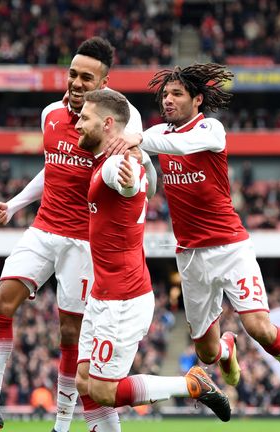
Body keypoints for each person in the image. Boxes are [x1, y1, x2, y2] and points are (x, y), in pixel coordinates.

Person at [0, 37, 156, 432]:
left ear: (104, 82)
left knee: (69, 334)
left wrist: (135, 180)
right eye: (72, 74)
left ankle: (61, 424)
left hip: (85, 240)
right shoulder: (50, 114)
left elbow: (135, 167)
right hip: (45, 227)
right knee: (0, 302)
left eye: (86, 77)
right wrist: (13, 204)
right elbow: (54, 169)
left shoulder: (122, 119)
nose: (77, 83)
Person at [105, 63, 280, 415]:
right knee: (207, 354)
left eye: (176, 94)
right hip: (190, 257)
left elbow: (180, 144)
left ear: (197, 99)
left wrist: (140, 139)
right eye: (165, 94)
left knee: (259, 327)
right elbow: (150, 170)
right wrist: (138, 166)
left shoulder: (210, 129)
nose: (168, 99)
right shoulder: (159, 133)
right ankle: (227, 348)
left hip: (230, 247)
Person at [73, 89, 231, 432]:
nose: (77, 124)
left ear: (108, 124)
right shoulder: (110, 159)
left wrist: (130, 184)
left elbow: (129, 184)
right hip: (103, 295)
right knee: (84, 382)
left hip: (123, 299)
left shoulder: (117, 163)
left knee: (101, 389)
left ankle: (191, 384)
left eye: (85, 118)